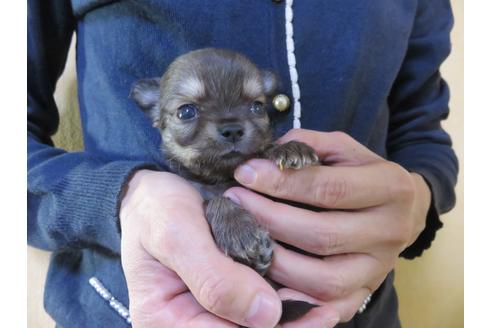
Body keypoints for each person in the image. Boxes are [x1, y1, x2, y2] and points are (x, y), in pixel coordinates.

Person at [27, 1, 458, 327]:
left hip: (355, 313)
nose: (232, 127)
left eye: (254, 106)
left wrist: (418, 200)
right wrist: (118, 198)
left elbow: (421, 135)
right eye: (189, 112)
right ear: (154, 108)